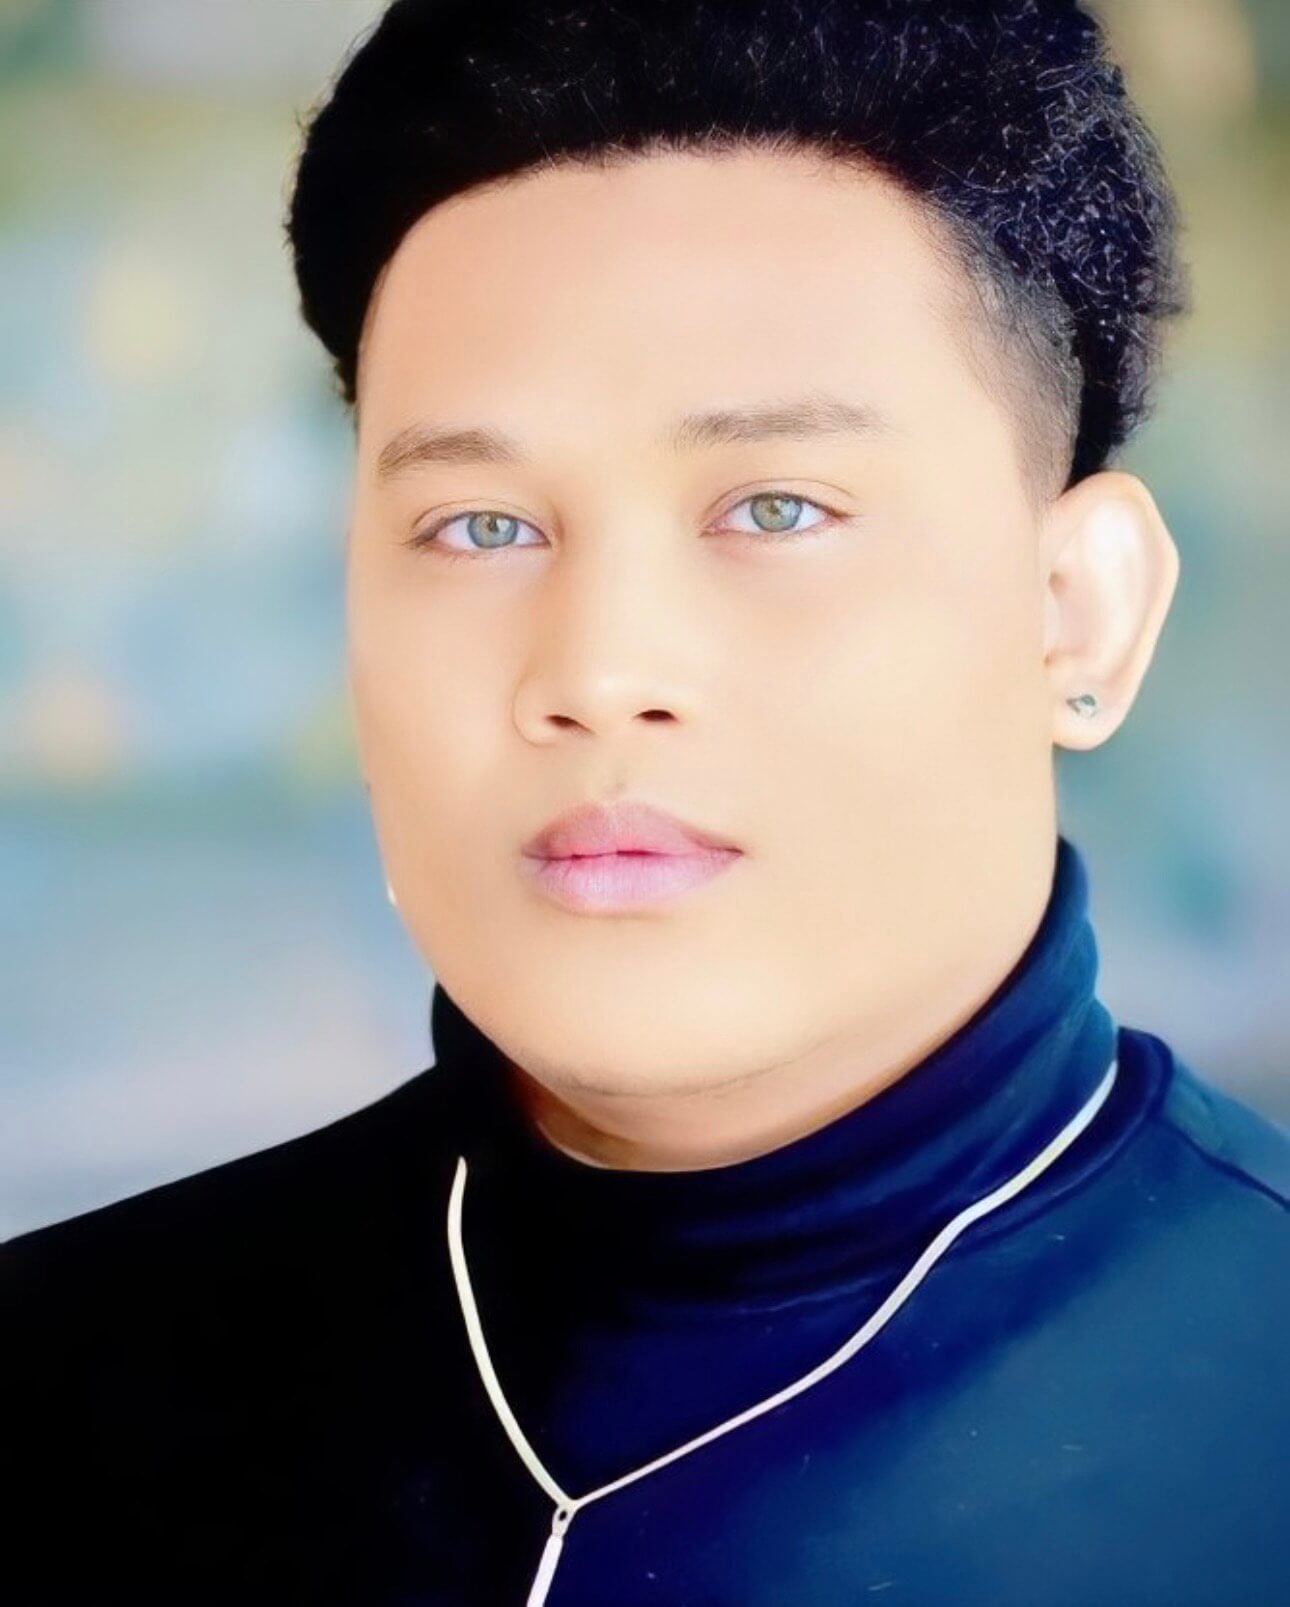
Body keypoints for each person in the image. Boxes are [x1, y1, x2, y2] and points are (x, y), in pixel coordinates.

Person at [6, 2, 1288, 1603]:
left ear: (1074, 607)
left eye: (772, 507)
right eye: (478, 527)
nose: (598, 671)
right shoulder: (55, 1396)